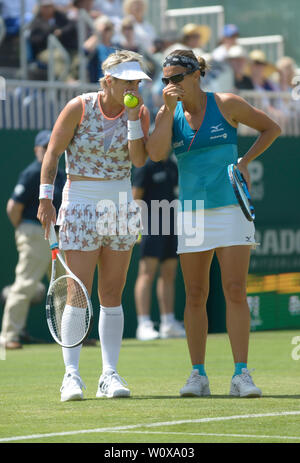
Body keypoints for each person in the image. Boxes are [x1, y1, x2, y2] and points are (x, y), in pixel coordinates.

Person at [146, 49, 281, 398]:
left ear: (195, 76)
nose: (171, 84)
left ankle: (241, 374)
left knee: (235, 290)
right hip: (191, 212)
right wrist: (164, 110)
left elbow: (271, 128)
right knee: (194, 294)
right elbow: (156, 153)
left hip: (231, 208)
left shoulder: (227, 103)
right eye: (166, 80)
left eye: (177, 78)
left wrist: (244, 160)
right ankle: (198, 375)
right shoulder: (168, 112)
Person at [37, 49, 151, 401]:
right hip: (80, 201)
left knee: (112, 294)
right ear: (108, 81)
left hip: (119, 201)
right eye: (127, 80)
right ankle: (71, 376)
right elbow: (53, 152)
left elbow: (138, 159)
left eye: (137, 80)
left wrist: (133, 118)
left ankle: (109, 375)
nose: (134, 85)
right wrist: (45, 199)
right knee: (77, 293)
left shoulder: (141, 112)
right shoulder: (79, 106)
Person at [0, 130, 65, 350]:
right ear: (37, 150)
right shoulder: (32, 173)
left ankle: (70, 337)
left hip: (56, 234)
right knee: (26, 284)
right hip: (34, 231)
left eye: (51, 146)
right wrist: (25, 230)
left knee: (63, 287)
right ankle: (9, 336)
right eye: (44, 147)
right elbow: (13, 207)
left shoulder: (62, 175)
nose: (48, 151)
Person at [132, 155, 185, 341]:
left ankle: (168, 322)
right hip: (150, 225)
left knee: (169, 273)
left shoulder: (172, 165)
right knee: (147, 274)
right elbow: (135, 196)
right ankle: (144, 324)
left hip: (172, 225)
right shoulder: (145, 166)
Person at [29, 0, 78, 81]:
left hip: (64, 48)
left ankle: (73, 80)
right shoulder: (36, 21)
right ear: (41, 8)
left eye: (49, 6)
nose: (48, 9)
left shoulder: (60, 17)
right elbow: (35, 40)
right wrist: (50, 33)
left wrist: (61, 32)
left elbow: (71, 26)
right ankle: (68, 81)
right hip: (44, 51)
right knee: (58, 56)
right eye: (45, 7)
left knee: (77, 58)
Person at [83, 15, 116, 83]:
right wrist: (98, 32)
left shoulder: (116, 47)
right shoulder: (96, 47)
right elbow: (85, 50)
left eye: (109, 28)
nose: (107, 31)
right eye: (105, 29)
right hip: (98, 87)